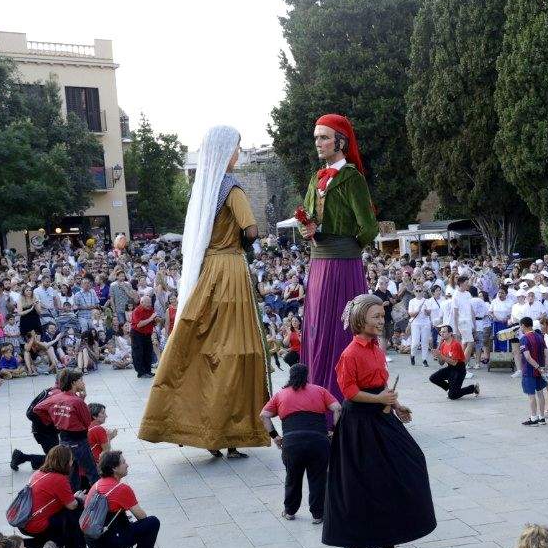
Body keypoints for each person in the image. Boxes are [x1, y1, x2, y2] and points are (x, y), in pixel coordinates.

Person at [139, 126, 270, 458]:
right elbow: (251, 230)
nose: (238, 154)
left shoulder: (202, 190)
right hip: (230, 269)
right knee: (238, 349)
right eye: (237, 148)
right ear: (227, 152)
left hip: (207, 270)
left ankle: (202, 429)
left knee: (203, 347)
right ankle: (232, 432)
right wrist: (243, 242)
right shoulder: (232, 188)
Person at [323, 295, 437, 548]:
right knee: (361, 482)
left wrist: (397, 405)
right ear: (359, 320)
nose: (380, 321)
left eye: (382, 317)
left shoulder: (376, 348)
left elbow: (383, 385)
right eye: (375, 316)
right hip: (358, 423)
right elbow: (349, 392)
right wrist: (379, 400)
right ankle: (358, 545)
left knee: (406, 465)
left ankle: (389, 539)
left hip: (381, 416)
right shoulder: (349, 353)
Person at [300, 113, 380, 399]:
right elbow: (306, 216)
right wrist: (306, 228)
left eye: (324, 137)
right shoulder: (315, 178)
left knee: (341, 327)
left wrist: (348, 247)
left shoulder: (351, 178)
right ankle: (315, 397)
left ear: (341, 142)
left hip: (343, 264)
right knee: (317, 327)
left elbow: (369, 227)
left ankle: (344, 397)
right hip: (318, 262)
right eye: (316, 138)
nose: (318, 143)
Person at [261, 362, 343, 524]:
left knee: (293, 478)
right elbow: (337, 408)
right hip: (318, 442)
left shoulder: (281, 394)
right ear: (307, 376)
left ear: (290, 376)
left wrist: (275, 437)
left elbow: (264, 415)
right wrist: (333, 429)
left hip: (292, 443)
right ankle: (318, 515)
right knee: (318, 478)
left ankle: (290, 511)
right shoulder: (320, 390)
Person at [32, 369, 98, 487]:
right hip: (79, 441)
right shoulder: (77, 401)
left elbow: (37, 408)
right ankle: (99, 494)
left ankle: (73, 494)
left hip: (64, 440)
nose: (83, 383)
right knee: (91, 471)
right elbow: (87, 422)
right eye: (81, 380)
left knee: (71, 472)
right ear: (73, 383)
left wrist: (53, 419)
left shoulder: (56, 397)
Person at [19, 444, 85, 548]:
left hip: (24, 522)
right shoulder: (59, 479)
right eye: (71, 459)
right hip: (36, 526)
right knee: (76, 509)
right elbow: (72, 505)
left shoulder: (38, 473)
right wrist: (80, 499)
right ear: (65, 462)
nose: (72, 462)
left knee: (69, 508)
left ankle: (37, 542)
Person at [129, 289, 158, 378]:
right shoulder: (137, 311)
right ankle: (141, 372)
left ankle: (148, 371)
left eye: (150, 302)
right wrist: (151, 318)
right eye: (147, 303)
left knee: (148, 352)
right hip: (137, 334)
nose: (150, 304)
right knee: (138, 353)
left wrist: (156, 320)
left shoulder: (151, 309)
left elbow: (153, 322)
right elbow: (139, 324)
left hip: (147, 334)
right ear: (142, 303)